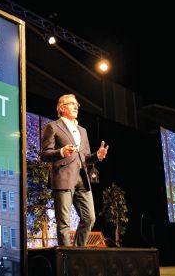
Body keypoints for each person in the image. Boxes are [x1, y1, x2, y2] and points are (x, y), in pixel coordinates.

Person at [41, 94, 109, 246]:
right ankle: (65, 260)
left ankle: (78, 252)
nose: (76, 106)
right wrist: (60, 152)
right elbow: (44, 154)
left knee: (89, 218)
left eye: (77, 104)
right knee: (64, 222)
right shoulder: (53, 127)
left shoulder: (82, 131)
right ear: (61, 108)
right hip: (63, 177)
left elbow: (85, 157)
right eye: (71, 103)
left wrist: (97, 156)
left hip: (82, 178)